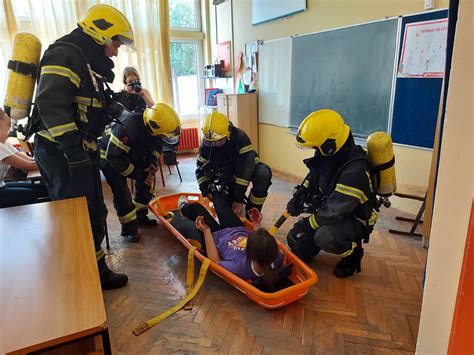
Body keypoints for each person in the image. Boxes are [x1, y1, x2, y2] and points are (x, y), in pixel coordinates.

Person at [30, 4, 135, 289]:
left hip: (79, 150)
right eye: (116, 42)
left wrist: (108, 108)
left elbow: (81, 106)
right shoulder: (65, 55)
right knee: (74, 216)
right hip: (61, 153)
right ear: (100, 34)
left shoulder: (86, 62)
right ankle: (78, 277)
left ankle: (94, 268)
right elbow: (51, 105)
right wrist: (73, 150)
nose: (116, 50)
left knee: (94, 212)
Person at [286, 109, 377, 278]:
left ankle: (353, 253)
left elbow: (334, 211)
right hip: (335, 207)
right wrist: (300, 195)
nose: (314, 150)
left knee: (325, 237)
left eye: (315, 147)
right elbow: (314, 175)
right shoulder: (332, 154)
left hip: (355, 217)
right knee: (299, 246)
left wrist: (307, 224)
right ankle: (321, 236)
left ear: (329, 145)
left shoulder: (354, 171)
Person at [99, 103, 181, 242]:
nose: (163, 137)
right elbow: (115, 157)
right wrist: (140, 174)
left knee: (147, 184)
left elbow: (156, 147)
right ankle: (129, 228)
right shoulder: (128, 127)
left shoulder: (155, 128)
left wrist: (151, 163)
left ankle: (140, 216)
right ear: (153, 127)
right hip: (109, 155)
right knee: (121, 190)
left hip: (129, 153)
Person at [177, 194, 284, 290]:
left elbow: (214, 262)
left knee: (197, 208)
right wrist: (256, 224)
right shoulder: (277, 258)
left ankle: (183, 208)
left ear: (248, 251)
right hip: (237, 229)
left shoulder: (239, 267)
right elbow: (266, 245)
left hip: (216, 237)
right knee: (219, 201)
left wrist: (206, 231)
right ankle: (212, 195)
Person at [196, 112, 272, 217]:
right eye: (212, 142)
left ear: (227, 134)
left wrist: (238, 199)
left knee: (263, 174)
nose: (215, 144)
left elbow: (246, 168)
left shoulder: (240, 137)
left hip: (243, 166)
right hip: (225, 172)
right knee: (226, 210)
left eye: (219, 140)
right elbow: (200, 168)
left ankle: (252, 213)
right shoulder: (207, 142)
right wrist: (206, 191)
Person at [0, 109, 48, 208]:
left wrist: (46, 161)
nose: (10, 131)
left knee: (42, 189)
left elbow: (29, 160)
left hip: (2, 185)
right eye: (8, 126)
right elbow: (29, 166)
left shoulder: (4, 143)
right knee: (32, 194)